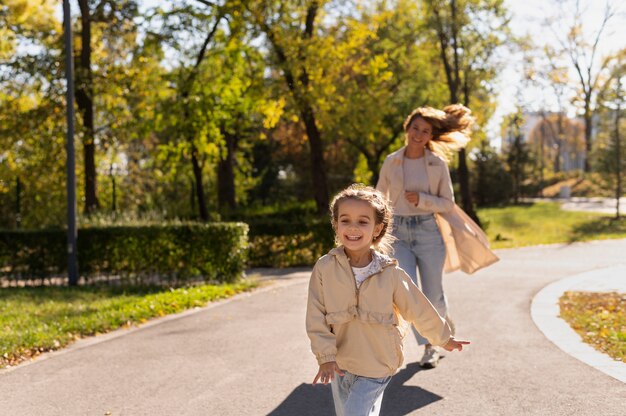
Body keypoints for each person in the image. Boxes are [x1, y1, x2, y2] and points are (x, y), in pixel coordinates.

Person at [306, 184, 469, 416]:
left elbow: (417, 307)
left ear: (377, 228)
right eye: (345, 220)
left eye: (363, 221)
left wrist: (442, 338)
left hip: (378, 362)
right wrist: (325, 357)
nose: (353, 227)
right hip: (341, 362)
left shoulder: (390, 272)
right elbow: (315, 315)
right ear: (336, 224)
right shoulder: (324, 268)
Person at [376, 104, 498, 369]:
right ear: (407, 128)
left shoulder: (436, 163)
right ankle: (433, 339)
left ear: (431, 136)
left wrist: (422, 199)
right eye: (415, 128)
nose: (419, 134)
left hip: (428, 232)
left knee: (433, 293)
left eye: (425, 131)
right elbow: (378, 197)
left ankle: (434, 345)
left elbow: (447, 203)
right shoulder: (391, 161)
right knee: (410, 292)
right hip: (398, 233)